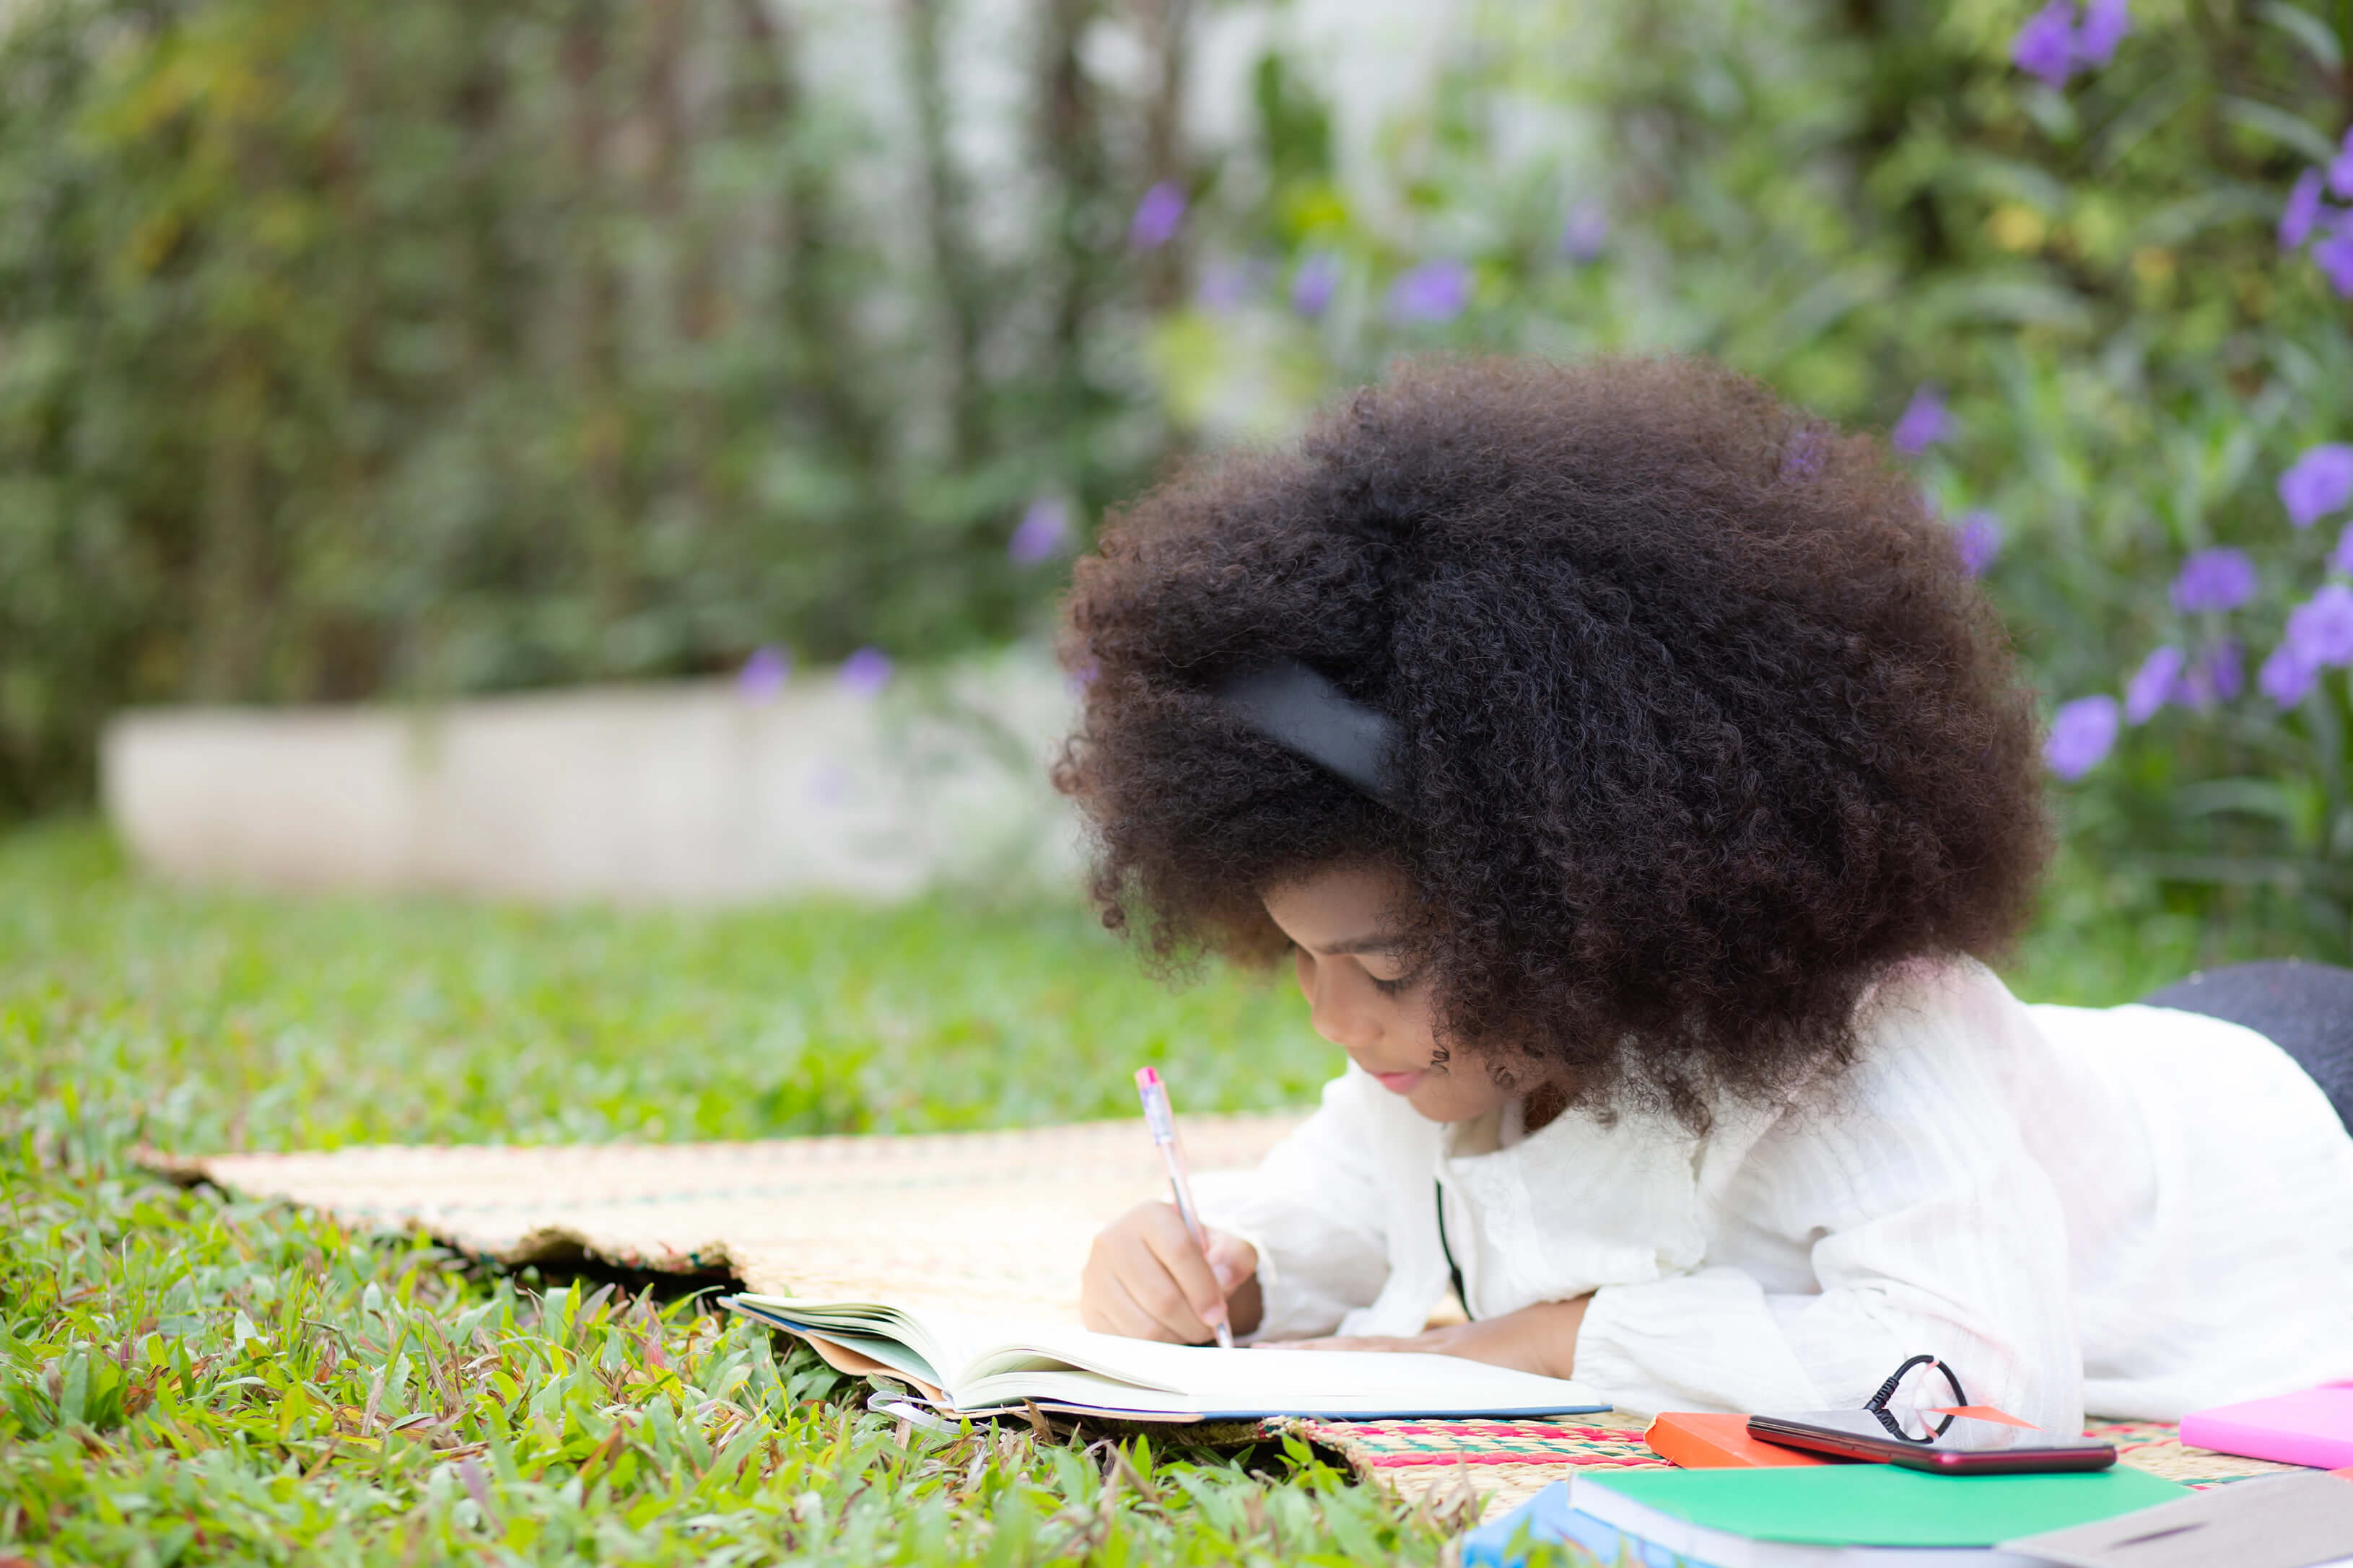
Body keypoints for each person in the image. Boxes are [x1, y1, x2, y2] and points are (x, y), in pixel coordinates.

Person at [1054, 355, 2353, 1430]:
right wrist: (1209, 1269)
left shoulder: (1861, 1046)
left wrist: (1555, 1343)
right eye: (1301, 958)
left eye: (1385, 968)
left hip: (2294, 1127)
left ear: (1570, 907)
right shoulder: (1440, 1062)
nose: (1337, 1020)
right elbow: (1322, 1219)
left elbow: (1975, 1385)